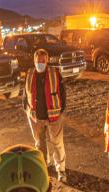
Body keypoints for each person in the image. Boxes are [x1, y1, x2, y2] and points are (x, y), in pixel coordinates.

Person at [23, 49, 68, 182]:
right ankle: (43, 165)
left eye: (43, 61)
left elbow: (63, 93)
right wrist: (26, 109)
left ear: (47, 60)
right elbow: (25, 94)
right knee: (39, 143)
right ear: (34, 61)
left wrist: (61, 112)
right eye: (38, 61)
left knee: (57, 143)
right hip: (36, 117)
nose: (40, 63)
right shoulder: (30, 74)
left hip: (54, 116)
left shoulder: (55, 73)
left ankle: (61, 170)